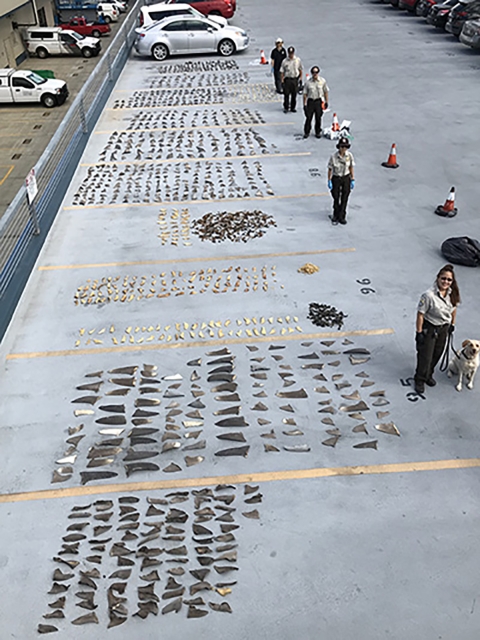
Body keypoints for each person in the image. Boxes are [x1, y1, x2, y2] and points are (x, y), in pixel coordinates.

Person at [414, 265, 459, 395]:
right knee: (425, 356)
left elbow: (454, 309)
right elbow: (420, 314)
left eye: (449, 280)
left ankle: (428, 374)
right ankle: (420, 379)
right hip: (430, 328)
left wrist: (452, 324)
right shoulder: (428, 295)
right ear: (438, 278)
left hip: (443, 328)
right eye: (443, 278)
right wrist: (419, 332)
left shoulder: (452, 293)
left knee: (437, 353)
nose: (446, 282)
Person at [327, 137, 355, 225]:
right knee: (335, 196)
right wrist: (329, 180)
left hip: (346, 177)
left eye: (345, 147)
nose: (343, 149)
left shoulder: (349, 156)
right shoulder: (334, 157)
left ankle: (342, 216)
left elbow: (351, 167)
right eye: (342, 147)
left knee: (345, 197)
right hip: (336, 177)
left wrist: (352, 178)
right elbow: (330, 169)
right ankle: (336, 214)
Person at [303, 66, 329, 139]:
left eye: (316, 72)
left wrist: (326, 102)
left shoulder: (322, 81)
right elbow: (305, 94)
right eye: (314, 72)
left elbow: (325, 91)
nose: (315, 74)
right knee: (308, 118)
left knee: (318, 117)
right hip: (311, 101)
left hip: (318, 101)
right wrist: (304, 105)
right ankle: (307, 132)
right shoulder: (308, 83)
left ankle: (317, 132)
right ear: (311, 73)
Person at [280, 46, 302, 113]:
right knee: (286, 94)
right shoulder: (285, 61)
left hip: (295, 79)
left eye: (292, 53)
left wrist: (300, 78)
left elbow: (300, 69)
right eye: (289, 53)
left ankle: (293, 107)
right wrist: (282, 80)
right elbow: (282, 71)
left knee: (294, 94)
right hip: (288, 79)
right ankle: (286, 107)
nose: (291, 55)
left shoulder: (297, 60)